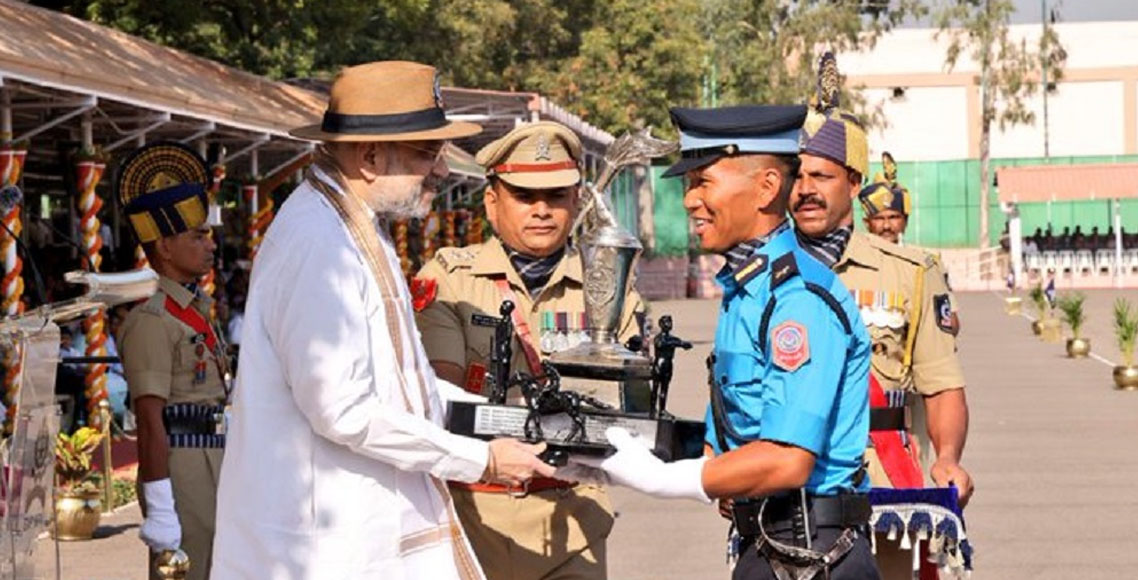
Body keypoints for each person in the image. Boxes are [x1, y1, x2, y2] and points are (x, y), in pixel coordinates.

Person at [210, 61, 554, 580]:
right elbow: (343, 410)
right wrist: (480, 461)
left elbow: (407, 385)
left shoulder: (356, 227)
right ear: (370, 157)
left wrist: (516, 421)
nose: (441, 169)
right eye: (428, 152)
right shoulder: (319, 243)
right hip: (324, 550)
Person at [568, 101, 877, 580]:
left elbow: (787, 458)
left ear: (766, 187)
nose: (690, 200)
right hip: (773, 544)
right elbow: (740, 428)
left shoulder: (797, 300)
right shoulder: (746, 291)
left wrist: (670, 479)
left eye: (703, 181)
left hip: (812, 553)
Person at [415, 121, 643, 580]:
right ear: (492, 201)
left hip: (573, 518)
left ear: (576, 200)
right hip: (472, 517)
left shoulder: (610, 288)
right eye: (524, 196)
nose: (542, 210)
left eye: (557, 196)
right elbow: (443, 395)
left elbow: (632, 406)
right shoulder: (450, 280)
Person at [792, 54, 973, 579]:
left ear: (853, 183)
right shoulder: (763, 270)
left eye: (822, 176)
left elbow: (941, 383)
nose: (805, 189)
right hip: (786, 479)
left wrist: (948, 456)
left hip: (884, 482)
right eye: (796, 176)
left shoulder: (911, 272)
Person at [114, 142, 230, 580]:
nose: (210, 245)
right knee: (190, 569)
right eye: (197, 236)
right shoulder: (151, 320)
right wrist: (160, 505)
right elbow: (148, 420)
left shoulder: (196, 310)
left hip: (214, 454)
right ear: (164, 245)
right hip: (181, 466)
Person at [858, 152, 910, 245]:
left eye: (893, 217)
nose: (886, 226)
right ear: (867, 223)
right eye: (879, 219)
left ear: (905, 221)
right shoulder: (856, 257)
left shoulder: (919, 258)